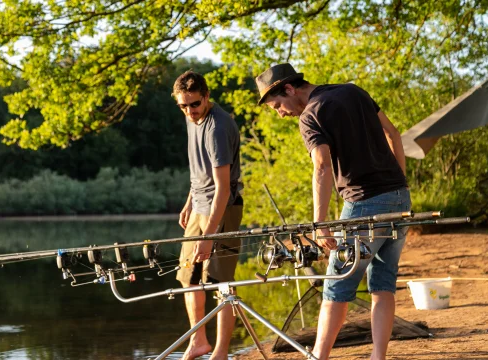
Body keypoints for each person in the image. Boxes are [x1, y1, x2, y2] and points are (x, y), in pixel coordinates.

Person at [255, 63, 410, 360]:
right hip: (400, 198)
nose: (280, 113)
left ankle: (319, 357)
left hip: (363, 204)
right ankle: (378, 357)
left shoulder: (311, 115)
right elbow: (394, 134)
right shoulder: (354, 91)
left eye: (277, 105)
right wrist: (399, 184)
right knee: (383, 284)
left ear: (289, 89)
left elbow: (322, 167)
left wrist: (320, 223)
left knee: (336, 286)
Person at [173, 70, 244, 360]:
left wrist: (210, 236)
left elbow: (223, 189)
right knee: (188, 278)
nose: (189, 111)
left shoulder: (217, 127)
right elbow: (198, 169)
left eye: (194, 104)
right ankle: (198, 341)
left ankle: (221, 351)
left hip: (222, 209)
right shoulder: (193, 120)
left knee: (220, 283)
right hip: (199, 206)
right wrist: (189, 201)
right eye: (182, 106)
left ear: (206, 97)